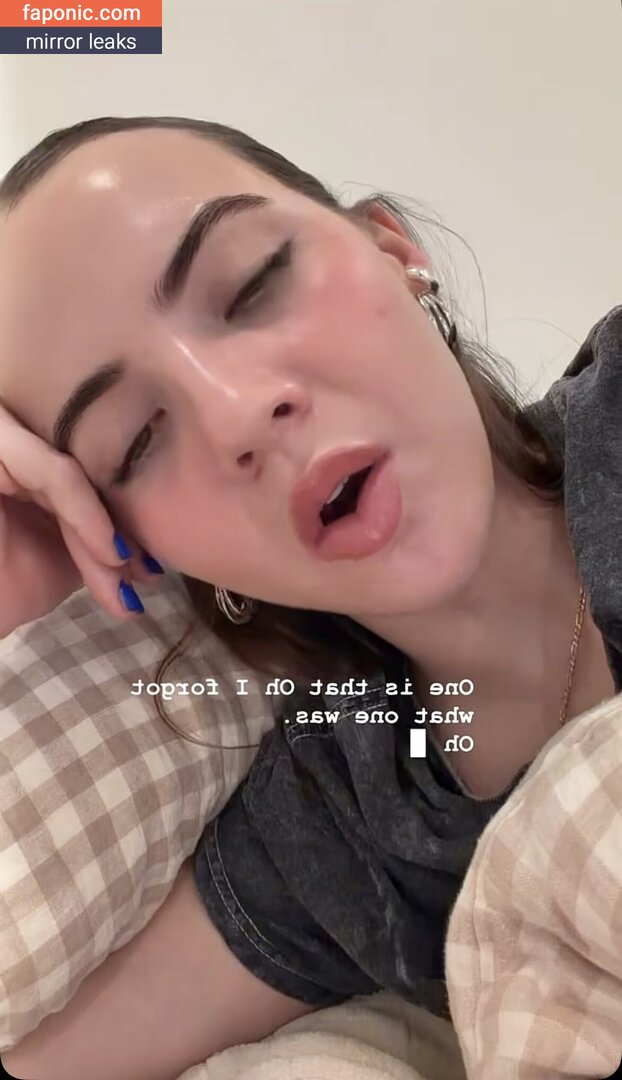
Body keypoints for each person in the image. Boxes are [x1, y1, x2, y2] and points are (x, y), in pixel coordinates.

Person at [0, 116, 619, 1080]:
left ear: (394, 254)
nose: (238, 413)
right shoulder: (341, 817)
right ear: (136, 540)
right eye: (136, 440)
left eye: (253, 285)